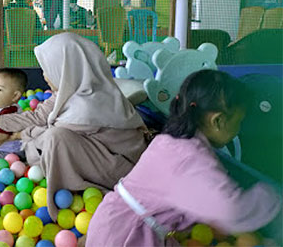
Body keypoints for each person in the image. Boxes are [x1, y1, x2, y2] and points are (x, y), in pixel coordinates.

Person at [0, 33, 148, 219]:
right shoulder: (68, 91)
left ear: (67, 69)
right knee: (43, 138)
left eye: (49, 69)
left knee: (54, 138)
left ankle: (73, 186)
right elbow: (37, 116)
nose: (45, 76)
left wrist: (19, 135)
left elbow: (49, 131)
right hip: (91, 152)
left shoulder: (88, 104)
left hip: (116, 165)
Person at [86, 69, 282, 247]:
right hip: (124, 235)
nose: (238, 129)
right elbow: (231, 211)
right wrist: (272, 197)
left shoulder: (173, 141)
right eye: (238, 122)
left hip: (118, 223)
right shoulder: (189, 159)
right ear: (218, 121)